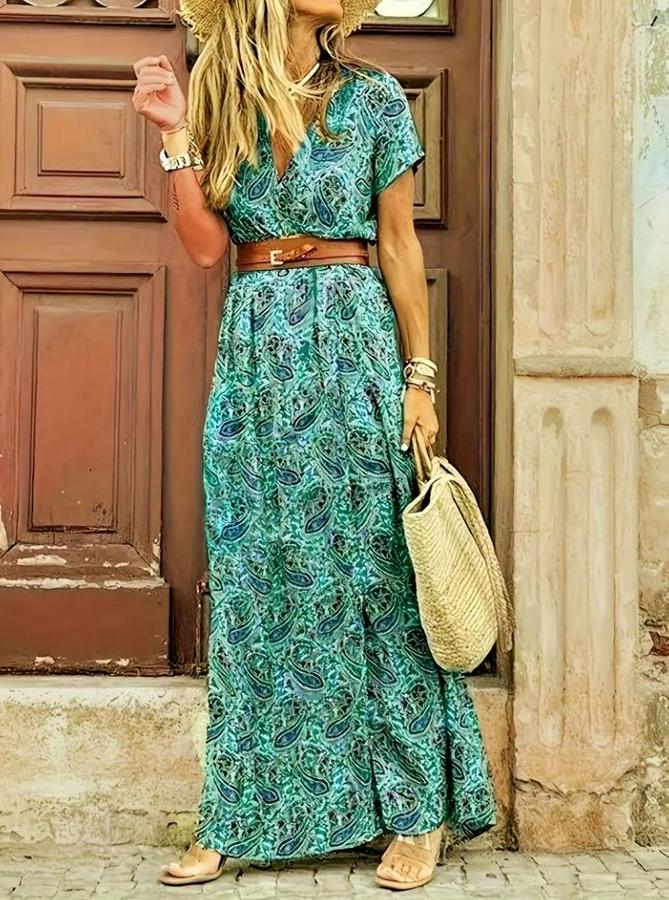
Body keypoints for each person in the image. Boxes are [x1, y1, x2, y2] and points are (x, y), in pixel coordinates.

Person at [132, 0, 496, 889]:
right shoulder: (219, 98)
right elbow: (206, 247)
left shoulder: (373, 97)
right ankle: (236, 815)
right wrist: (174, 132)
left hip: (353, 340)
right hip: (258, 352)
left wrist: (418, 378)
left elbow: (399, 246)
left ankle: (416, 811)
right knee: (256, 578)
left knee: (377, 573)